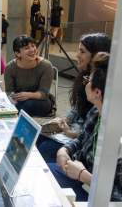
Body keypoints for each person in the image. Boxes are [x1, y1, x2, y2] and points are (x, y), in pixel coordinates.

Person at [49, 52, 122, 202]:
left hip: (97, 195)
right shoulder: (96, 111)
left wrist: (83, 175)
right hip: (81, 176)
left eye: (89, 79)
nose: (86, 82)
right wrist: (65, 150)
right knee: (43, 174)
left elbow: (117, 197)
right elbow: (82, 140)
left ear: (97, 92)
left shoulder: (117, 135)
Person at [37, 33, 111, 163]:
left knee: (45, 148)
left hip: (82, 143)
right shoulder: (85, 77)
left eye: (82, 51)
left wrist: (69, 132)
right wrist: (65, 120)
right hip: (75, 133)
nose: (77, 55)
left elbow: (92, 133)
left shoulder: (100, 87)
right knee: (39, 139)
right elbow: (77, 108)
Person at [4, 35, 54, 117]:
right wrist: (14, 100)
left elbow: (44, 93)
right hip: (19, 99)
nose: (32, 50)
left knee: (29, 105)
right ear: (18, 53)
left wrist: (28, 95)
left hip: (39, 100)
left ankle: (17, 115)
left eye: (33, 46)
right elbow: (9, 92)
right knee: (10, 103)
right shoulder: (10, 67)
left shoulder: (46, 66)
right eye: (27, 48)